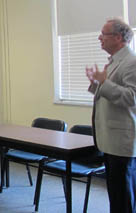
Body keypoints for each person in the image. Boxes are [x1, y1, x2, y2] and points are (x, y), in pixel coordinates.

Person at [86, 18, 136, 212]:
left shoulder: (131, 62)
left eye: (103, 34)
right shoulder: (114, 61)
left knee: (123, 196)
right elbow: (106, 93)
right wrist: (96, 83)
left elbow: (132, 98)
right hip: (110, 139)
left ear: (117, 37)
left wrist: (104, 83)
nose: (100, 38)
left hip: (122, 142)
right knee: (116, 195)